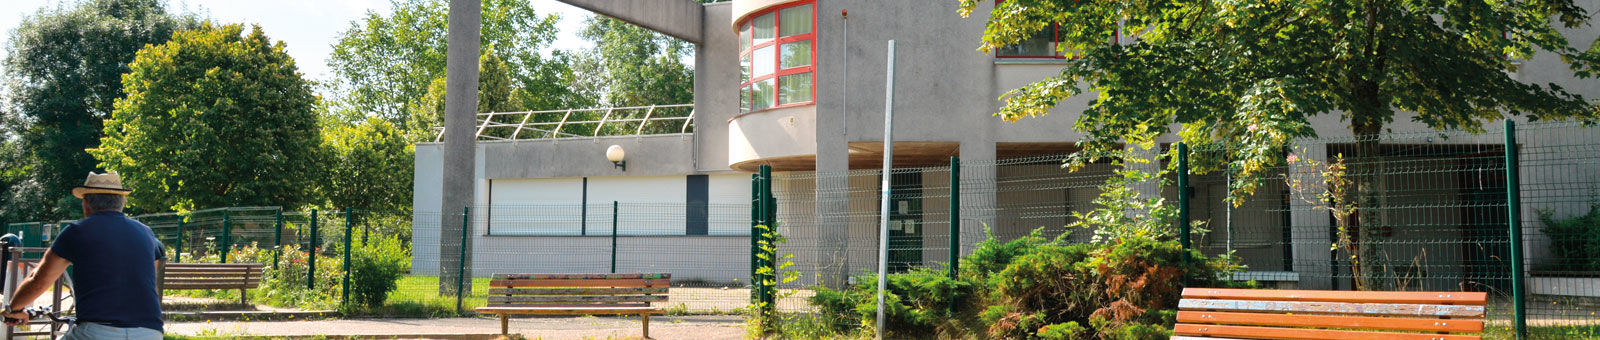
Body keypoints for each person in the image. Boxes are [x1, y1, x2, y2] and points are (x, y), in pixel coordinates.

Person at [3, 172, 165, 339]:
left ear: (86, 203)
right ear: (122, 202)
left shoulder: (78, 231)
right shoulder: (146, 233)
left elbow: (39, 280)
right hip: (150, 331)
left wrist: (13, 309)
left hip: (97, 332)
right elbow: (149, 282)